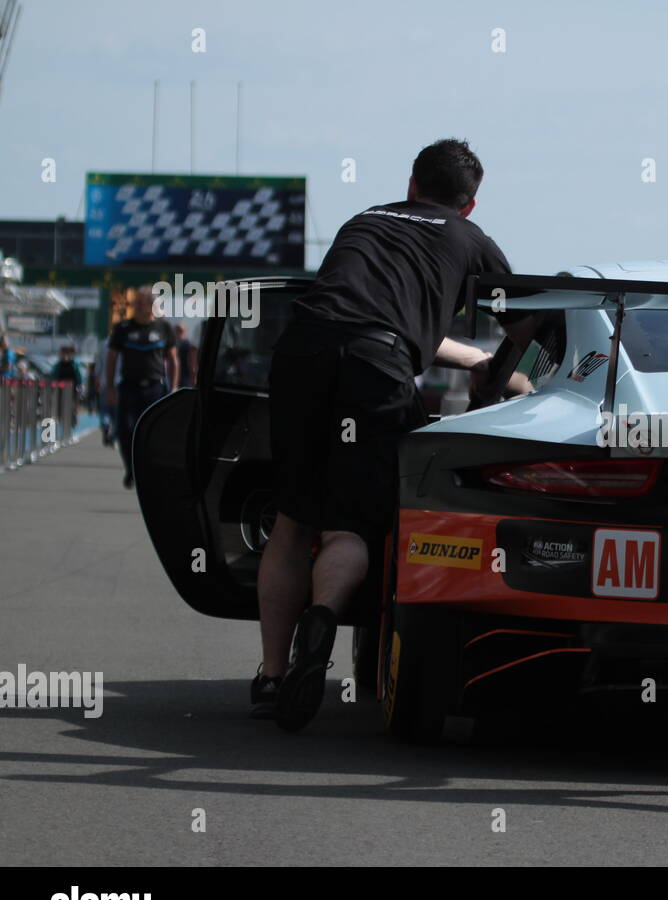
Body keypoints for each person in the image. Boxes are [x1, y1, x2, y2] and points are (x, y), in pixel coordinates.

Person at [254, 139, 514, 731]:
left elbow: (362, 313)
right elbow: (526, 323)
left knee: (293, 519)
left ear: (412, 185)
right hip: (376, 366)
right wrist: (502, 377)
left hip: (302, 352)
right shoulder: (471, 240)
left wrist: (469, 359)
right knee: (350, 524)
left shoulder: (365, 219)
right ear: (469, 205)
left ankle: (271, 676)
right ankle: (322, 618)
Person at [104, 287, 179, 488]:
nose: (137, 306)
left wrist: (173, 388)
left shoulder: (164, 328)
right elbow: (111, 359)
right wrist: (110, 387)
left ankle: (148, 470)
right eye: (136, 302)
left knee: (153, 434)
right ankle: (131, 468)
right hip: (129, 388)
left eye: (141, 302)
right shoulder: (123, 329)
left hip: (155, 389)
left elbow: (173, 360)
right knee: (125, 430)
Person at [49, 344, 84, 428]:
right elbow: (53, 376)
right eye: (62, 354)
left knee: (74, 404)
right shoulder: (58, 365)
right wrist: (53, 384)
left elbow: (79, 376)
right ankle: (62, 419)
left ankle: (74, 416)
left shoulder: (74, 364)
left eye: (66, 354)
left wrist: (80, 385)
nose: (64, 356)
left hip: (73, 388)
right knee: (60, 405)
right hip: (60, 388)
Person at [174, 323, 198, 389]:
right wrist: (194, 377)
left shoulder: (173, 346)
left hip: (175, 377)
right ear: (185, 332)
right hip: (186, 377)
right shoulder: (189, 344)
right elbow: (192, 363)